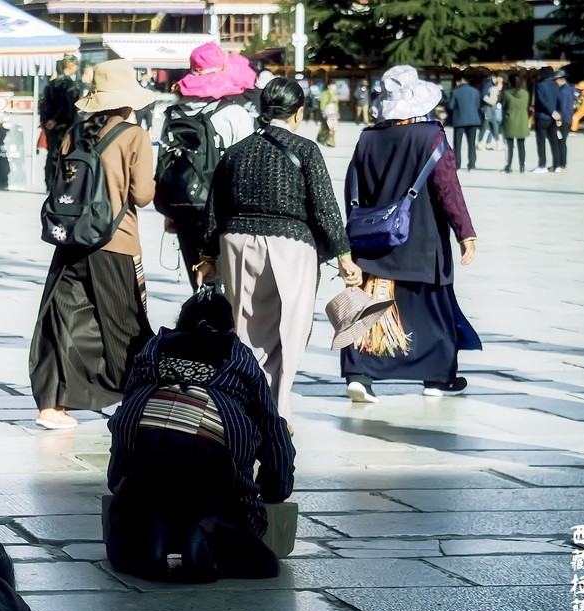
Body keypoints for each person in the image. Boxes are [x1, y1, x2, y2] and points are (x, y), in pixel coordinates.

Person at [105, 289, 295, 581]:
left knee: (144, 499)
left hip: (147, 451)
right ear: (230, 327)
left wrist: (119, 480)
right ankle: (201, 533)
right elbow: (272, 427)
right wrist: (275, 487)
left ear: (180, 322)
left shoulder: (154, 347)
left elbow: (126, 415)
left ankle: (156, 534)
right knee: (255, 550)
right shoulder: (238, 354)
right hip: (210, 457)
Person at [202, 78, 359, 420]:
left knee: (244, 325)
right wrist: (344, 256)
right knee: (290, 327)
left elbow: (216, 207)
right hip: (290, 244)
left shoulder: (236, 151)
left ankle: (242, 401)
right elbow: (325, 207)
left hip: (237, 241)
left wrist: (208, 256)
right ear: (298, 113)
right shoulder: (305, 149)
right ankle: (275, 409)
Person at [29, 60, 156, 430]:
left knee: (63, 319)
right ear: (127, 100)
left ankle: (51, 406)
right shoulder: (134, 136)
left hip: (71, 240)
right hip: (116, 244)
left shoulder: (75, 132)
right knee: (125, 325)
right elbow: (143, 195)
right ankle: (137, 400)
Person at [341, 65, 480, 403]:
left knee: (370, 310)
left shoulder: (367, 138)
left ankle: (360, 375)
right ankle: (437, 379)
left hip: (374, 242)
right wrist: (465, 233)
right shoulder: (431, 136)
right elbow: (448, 188)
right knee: (431, 311)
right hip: (422, 243)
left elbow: (352, 189)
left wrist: (354, 236)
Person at [159, 41, 256, 286]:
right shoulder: (234, 113)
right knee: (228, 287)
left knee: (199, 282)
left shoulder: (174, 112)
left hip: (184, 206)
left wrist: (170, 212)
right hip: (224, 211)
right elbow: (248, 168)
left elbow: (167, 161)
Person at [39, 55, 81, 188]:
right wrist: (56, 119)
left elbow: (45, 104)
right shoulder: (68, 84)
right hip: (63, 125)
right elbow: (65, 105)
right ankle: (61, 183)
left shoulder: (52, 83)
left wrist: (47, 121)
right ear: (71, 65)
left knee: (51, 153)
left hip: (51, 125)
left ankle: (49, 182)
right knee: (64, 153)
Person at [447, 73, 481, 171]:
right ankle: (472, 164)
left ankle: (457, 164)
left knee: (457, 144)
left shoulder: (455, 92)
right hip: (473, 119)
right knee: (471, 143)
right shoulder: (475, 91)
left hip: (459, 120)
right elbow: (477, 105)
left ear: (457, 82)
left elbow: (451, 106)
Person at [532, 66, 560, 174]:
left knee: (541, 141)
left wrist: (551, 111)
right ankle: (556, 165)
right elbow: (558, 99)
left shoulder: (539, 85)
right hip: (553, 118)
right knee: (554, 141)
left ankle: (542, 164)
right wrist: (556, 112)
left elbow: (541, 100)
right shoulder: (555, 85)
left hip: (542, 116)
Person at [501, 74, 530, 174]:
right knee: (521, 145)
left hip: (510, 120)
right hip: (522, 121)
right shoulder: (525, 94)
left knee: (510, 146)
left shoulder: (506, 94)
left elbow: (504, 106)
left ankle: (508, 166)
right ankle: (522, 166)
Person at [554, 71, 577, 173]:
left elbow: (562, 106)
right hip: (568, 118)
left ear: (560, 79)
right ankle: (559, 164)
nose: (555, 82)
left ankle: (562, 165)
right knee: (561, 141)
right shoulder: (570, 88)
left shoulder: (562, 91)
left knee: (561, 142)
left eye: (556, 80)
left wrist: (559, 119)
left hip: (563, 119)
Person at [477, 74, 503, 151]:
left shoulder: (494, 84)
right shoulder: (488, 83)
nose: (501, 81)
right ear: (498, 77)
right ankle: (479, 143)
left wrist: (498, 89)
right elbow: (483, 95)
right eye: (501, 79)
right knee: (485, 125)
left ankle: (498, 143)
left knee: (495, 124)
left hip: (492, 107)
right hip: (486, 107)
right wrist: (491, 102)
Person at [316, 80, 338, 147]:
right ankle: (330, 141)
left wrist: (337, 112)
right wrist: (323, 111)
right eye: (332, 85)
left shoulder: (334, 93)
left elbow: (336, 104)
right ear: (328, 86)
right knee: (329, 126)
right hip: (328, 111)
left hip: (334, 111)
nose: (334, 86)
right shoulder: (325, 93)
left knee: (334, 126)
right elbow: (323, 103)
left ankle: (329, 140)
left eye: (334, 85)